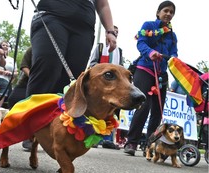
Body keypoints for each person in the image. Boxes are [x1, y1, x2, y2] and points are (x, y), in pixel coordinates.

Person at [27, 0, 116, 97]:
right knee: (48, 67)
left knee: (72, 77)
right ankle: (34, 110)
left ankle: (62, 110)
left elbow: (102, 5)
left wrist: (110, 31)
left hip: (84, 26)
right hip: (52, 15)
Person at [124, 1, 178, 156]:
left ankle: (151, 145)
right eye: (165, 10)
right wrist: (150, 52)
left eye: (171, 12)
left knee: (158, 110)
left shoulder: (172, 35)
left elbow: (174, 53)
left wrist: (174, 59)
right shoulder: (148, 25)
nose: (168, 14)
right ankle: (132, 142)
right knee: (143, 106)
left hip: (161, 73)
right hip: (145, 68)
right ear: (158, 12)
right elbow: (141, 43)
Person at [88, 25, 122, 149]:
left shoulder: (119, 51)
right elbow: (92, 64)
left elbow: (121, 68)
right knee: (96, 111)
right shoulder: (100, 47)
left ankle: (108, 139)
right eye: (114, 32)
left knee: (112, 112)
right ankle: (93, 138)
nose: (115, 34)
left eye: (117, 33)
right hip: (101, 85)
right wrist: (106, 70)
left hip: (115, 88)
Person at [7, 46, 32, 150]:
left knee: (31, 109)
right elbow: (24, 66)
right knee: (12, 100)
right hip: (25, 82)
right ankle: (11, 129)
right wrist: (33, 77)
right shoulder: (33, 49)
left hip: (44, 85)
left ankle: (28, 138)